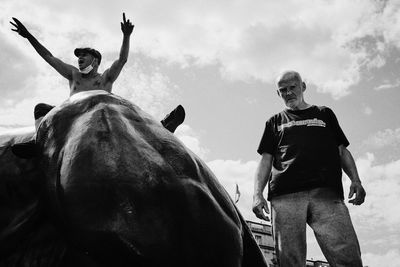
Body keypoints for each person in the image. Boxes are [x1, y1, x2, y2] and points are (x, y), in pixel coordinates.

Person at [10, 15, 184, 157]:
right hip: (74, 117)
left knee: (126, 110)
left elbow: (122, 60)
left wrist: (126, 36)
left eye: (84, 55)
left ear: (95, 60)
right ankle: (38, 141)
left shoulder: (105, 79)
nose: (79, 58)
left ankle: (161, 129)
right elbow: (49, 57)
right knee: (41, 108)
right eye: (79, 56)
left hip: (101, 115)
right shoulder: (73, 74)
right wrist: (29, 36)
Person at [252, 71, 366, 267]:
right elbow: (265, 160)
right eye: (283, 90)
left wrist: (356, 180)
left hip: (327, 194)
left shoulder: (324, 114)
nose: (288, 93)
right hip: (285, 196)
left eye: (292, 87)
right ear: (278, 94)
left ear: (303, 86)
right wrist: (257, 194)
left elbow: (342, 151)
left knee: (348, 258)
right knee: (290, 261)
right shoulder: (274, 122)